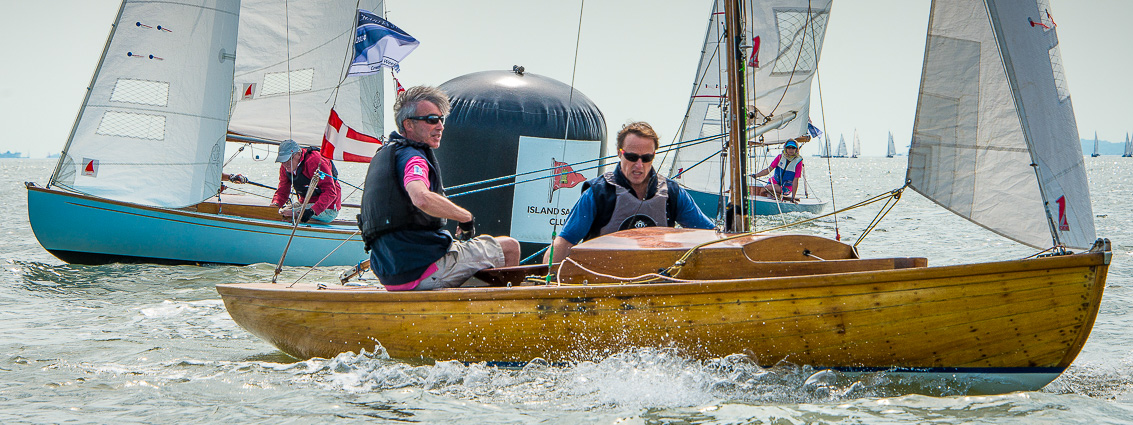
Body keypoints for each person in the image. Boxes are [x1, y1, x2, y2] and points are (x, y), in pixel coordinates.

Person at [359, 85, 520, 291]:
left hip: (391, 275)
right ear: (408, 124)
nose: (440, 126)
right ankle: (504, 316)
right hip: (422, 271)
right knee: (509, 247)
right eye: (431, 120)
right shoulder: (413, 157)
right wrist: (465, 217)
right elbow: (421, 198)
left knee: (464, 252)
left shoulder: (385, 155)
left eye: (441, 120)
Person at [544, 121, 716, 263]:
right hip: (604, 283)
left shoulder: (672, 193)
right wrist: (547, 284)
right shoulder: (598, 193)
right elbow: (564, 242)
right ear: (620, 154)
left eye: (646, 158)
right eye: (632, 157)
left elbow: (709, 236)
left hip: (656, 282)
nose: (639, 165)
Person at [271, 139, 342, 223]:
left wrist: (312, 211)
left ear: (298, 154)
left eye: (288, 159)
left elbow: (330, 192)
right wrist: (275, 204)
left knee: (288, 214)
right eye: (282, 161)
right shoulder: (286, 167)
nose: (285, 164)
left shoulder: (315, 161)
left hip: (328, 208)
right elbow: (283, 190)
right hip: (305, 203)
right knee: (281, 212)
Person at [750, 138, 804, 203]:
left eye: (793, 148)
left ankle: (775, 195)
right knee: (763, 190)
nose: (791, 150)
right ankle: (772, 195)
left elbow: (796, 180)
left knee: (766, 188)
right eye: (788, 147)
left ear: (796, 149)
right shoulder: (780, 157)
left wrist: (793, 198)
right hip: (773, 183)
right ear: (785, 149)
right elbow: (768, 170)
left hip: (785, 188)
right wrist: (755, 175)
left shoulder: (798, 162)